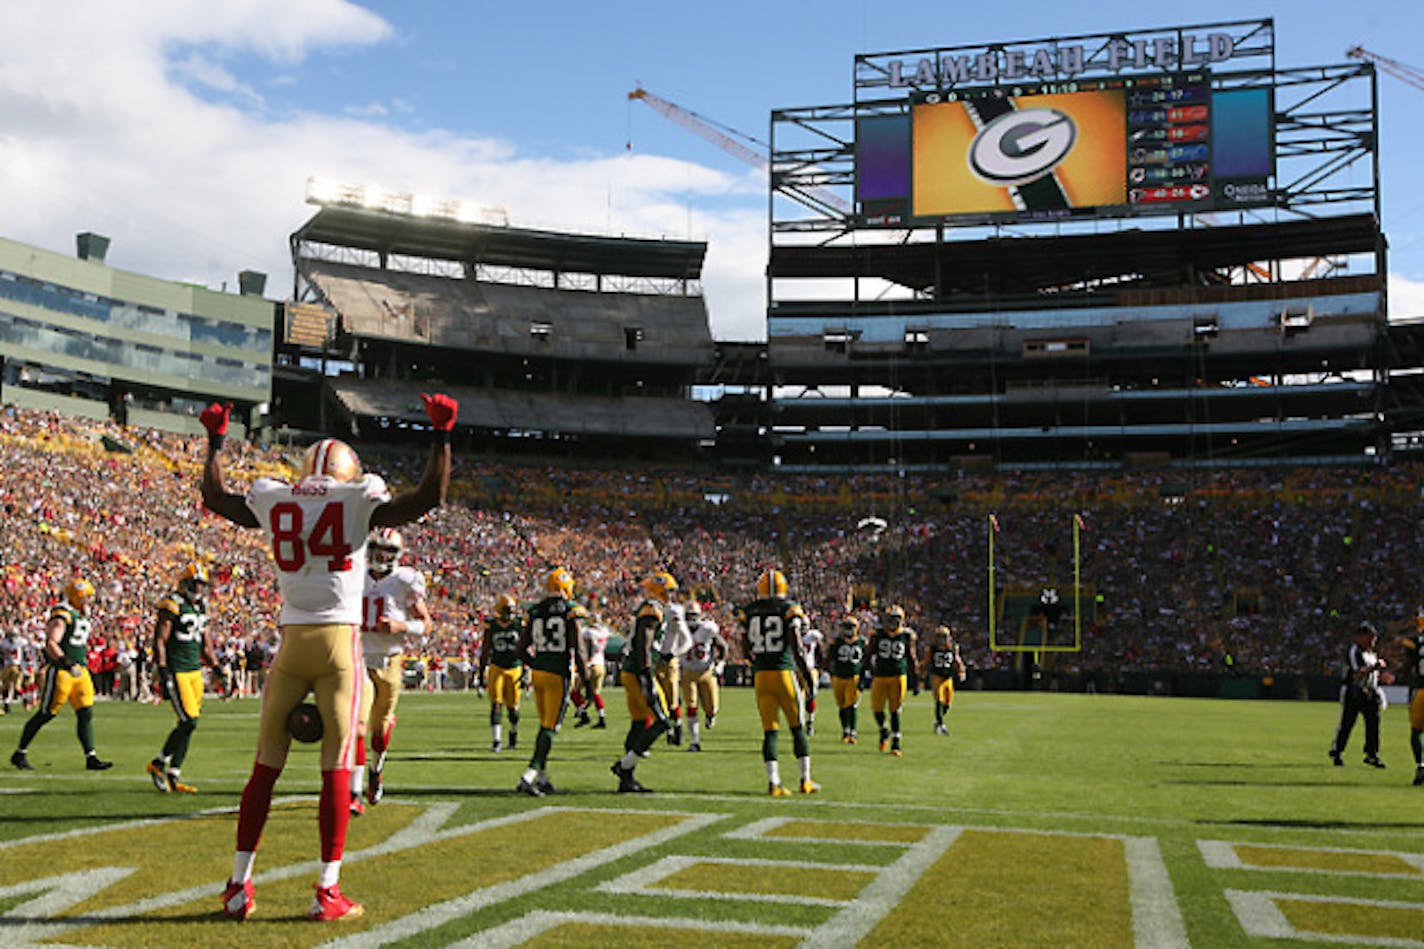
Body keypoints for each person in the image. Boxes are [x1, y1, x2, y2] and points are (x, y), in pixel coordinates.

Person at [200, 393, 455, 922]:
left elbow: (216, 498)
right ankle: (326, 889)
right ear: (349, 471)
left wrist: (217, 443)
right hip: (339, 644)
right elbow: (428, 497)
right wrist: (441, 436)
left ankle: (236, 886)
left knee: (263, 771)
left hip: (290, 642)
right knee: (337, 769)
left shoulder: (275, 498)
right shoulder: (359, 497)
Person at [351, 527, 431, 814]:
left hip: (390, 660)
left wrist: (401, 626)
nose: (381, 556)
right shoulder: (355, 574)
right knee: (358, 726)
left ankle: (376, 770)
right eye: (376, 549)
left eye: (388, 551)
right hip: (358, 658)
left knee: (379, 727)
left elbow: (426, 625)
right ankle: (354, 792)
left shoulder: (404, 580)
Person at [10, 579, 113, 772]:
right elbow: (51, 642)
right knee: (46, 714)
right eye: (86, 597)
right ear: (76, 596)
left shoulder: (80, 615)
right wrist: (66, 661)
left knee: (86, 713)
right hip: (62, 671)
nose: (89, 600)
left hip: (81, 671)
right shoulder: (62, 614)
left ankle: (91, 757)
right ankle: (20, 753)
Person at [735, 568, 819, 796]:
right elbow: (796, 645)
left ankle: (774, 783)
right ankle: (805, 780)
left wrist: (756, 661)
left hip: (761, 676)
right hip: (783, 673)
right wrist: (809, 679)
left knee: (770, 731)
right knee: (797, 727)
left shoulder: (749, 611)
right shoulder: (788, 608)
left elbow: (744, 647)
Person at [516, 566, 590, 796]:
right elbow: (578, 649)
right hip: (558, 674)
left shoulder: (535, 610)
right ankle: (529, 775)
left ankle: (543, 777)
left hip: (538, 674)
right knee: (551, 727)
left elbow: (520, 648)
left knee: (544, 725)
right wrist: (587, 683)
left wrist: (535, 663)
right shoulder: (571, 611)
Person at [147, 563, 218, 793]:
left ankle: (173, 775)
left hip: (195, 671)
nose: (198, 589)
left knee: (188, 724)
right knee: (189, 721)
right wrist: (162, 666)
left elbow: (206, 644)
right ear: (185, 583)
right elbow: (160, 639)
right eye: (195, 584)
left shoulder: (200, 607)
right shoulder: (172, 604)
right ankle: (158, 763)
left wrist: (216, 668)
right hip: (177, 669)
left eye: (201, 584)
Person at [609, 572, 678, 793]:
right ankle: (624, 766)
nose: (671, 595)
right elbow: (644, 645)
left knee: (639, 722)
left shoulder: (652, 608)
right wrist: (647, 675)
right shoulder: (652, 608)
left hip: (633, 672)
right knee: (663, 720)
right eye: (669, 590)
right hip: (639, 672)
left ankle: (626, 780)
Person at [1328, 621, 1388, 769]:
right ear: (1360, 637)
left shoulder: (1371, 653)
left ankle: (1371, 754)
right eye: (1370, 637)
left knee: (1373, 723)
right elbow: (1357, 673)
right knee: (1348, 723)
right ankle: (1337, 752)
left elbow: (1370, 673)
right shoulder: (1355, 651)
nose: (1373, 641)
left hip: (1370, 691)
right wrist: (1375, 667)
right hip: (1354, 691)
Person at [868, 603, 918, 757]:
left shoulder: (906, 635)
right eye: (890, 619)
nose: (892, 623)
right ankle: (884, 730)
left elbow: (911, 658)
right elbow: (868, 655)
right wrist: (869, 671)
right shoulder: (877, 634)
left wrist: (915, 680)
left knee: (895, 710)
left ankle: (896, 743)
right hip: (880, 676)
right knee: (877, 709)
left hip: (898, 676)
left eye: (896, 619)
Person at [679, 601, 728, 752]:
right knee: (691, 707)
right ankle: (695, 742)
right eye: (689, 615)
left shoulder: (707, 629)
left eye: (694, 615)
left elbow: (723, 646)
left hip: (706, 672)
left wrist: (720, 664)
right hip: (687, 673)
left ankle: (710, 715)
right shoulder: (679, 629)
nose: (691, 619)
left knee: (712, 706)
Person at [480, 593, 525, 753]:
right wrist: (480, 676)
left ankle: (513, 732)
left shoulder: (520, 624)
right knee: (496, 705)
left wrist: (526, 671)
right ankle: (496, 740)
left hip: (514, 668)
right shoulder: (491, 625)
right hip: (496, 667)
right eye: (507, 610)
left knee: (513, 708)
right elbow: (485, 650)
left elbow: (526, 648)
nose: (511, 613)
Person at [655, 590, 692, 746]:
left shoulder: (673, 612)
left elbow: (687, 640)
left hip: (669, 661)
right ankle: (668, 729)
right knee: (657, 697)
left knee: (672, 698)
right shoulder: (651, 609)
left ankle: (677, 727)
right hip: (654, 661)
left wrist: (674, 653)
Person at [829, 616, 867, 744]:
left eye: (851, 627)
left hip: (854, 677)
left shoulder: (862, 642)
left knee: (851, 705)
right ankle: (845, 729)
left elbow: (866, 661)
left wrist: (864, 676)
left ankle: (853, 731)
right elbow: (830, 659)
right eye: (847, 627)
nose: (849, 630)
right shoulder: (837, 642)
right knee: (842, 705)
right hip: (838, 676)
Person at [573, 606, 610, 729]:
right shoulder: (604, 631)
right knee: (596, 693)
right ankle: (602, 718)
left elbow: (586, 646)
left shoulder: (588, 632)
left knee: (575, 691)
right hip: (601, 664)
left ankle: (583, 714)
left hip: (590, 664)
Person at [925, 625, 967, 736]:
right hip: (936, 676)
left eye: (943, 637)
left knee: (948, 703)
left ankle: (938, 720)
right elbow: (927, 661)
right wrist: (922, 673)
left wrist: (961, 671)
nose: (941, 640)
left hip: (948, 677)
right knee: (939, 700)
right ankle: (940, 725)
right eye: (939, 637)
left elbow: (958, 661)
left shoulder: (953, 647)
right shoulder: (932, 648)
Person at [1402, 624, 1424, 786]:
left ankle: (1421, 765)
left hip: (1422, 689)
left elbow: (1408, 666)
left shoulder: (1415, 641)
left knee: (1416, 731)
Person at [799, 622, 825, 736]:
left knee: (811, 696)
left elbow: (820, 650)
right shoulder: (791, 634)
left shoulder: (813, 636)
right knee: (796, 698)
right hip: (795, 670)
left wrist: (820, 666)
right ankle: (799, 722)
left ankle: (810, 721)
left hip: (810, 669)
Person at [1, 628, 25, 714]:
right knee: (15, 686)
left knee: (6, 686)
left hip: (8, 666)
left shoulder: (4, 642)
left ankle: (7, 704)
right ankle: (25, 699)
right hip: (15, 665)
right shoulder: (20, 641)